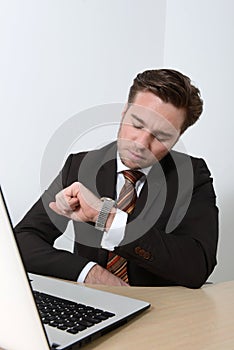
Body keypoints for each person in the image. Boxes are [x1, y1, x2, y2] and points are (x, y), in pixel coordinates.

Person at [15, 69, 219, 288]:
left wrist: (108, 218)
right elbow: (22, 241)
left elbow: (197, 267)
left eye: (161, 136)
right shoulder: (80, 165)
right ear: (124, 113)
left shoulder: (192, 174)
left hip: (161, 310)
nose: (141, 143)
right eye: (137, 124)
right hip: (95, 303)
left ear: (178, 137)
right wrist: (88, 272)